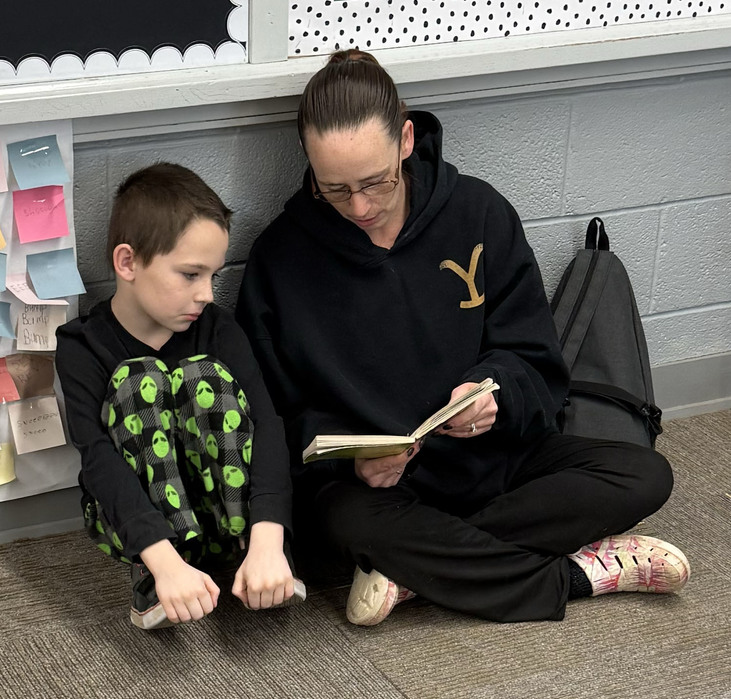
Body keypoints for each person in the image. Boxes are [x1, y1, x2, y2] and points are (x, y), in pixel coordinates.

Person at [236, 50, 689, 627]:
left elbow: (536, 360)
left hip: (491, 462)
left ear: (405, 139)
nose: (360, 206)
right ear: (308, 160)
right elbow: (270, 417)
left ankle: (409, 571)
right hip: (377, 494)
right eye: (335, 189)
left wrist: (493, 393)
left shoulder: (478, 213)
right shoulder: (281, 258)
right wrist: (353, 461)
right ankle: (576, 576)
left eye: (376, 182)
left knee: (645, 474)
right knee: (346, 524)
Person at [56, 163, 302, 630]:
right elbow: (98, 460)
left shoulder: (218, 328)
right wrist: (164, 563)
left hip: (228, 513)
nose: (207, 294)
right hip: (141, 526)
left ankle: (262, 556)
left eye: (212, 275)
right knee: (138, 380)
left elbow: (267, 424)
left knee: (200, 376)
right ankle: (156, 574)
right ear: (127, 263)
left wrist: (270, 538)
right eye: (190, 274)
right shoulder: (81, 347)